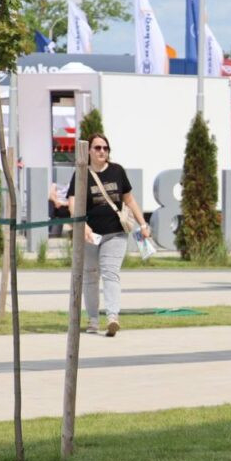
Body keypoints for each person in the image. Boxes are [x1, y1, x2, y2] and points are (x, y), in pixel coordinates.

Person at [66, 133, 151, 337]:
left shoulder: (117, 171)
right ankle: (93, 320)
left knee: (110, 273)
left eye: (105, 148)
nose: (102, 151)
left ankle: (113, 317)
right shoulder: (81, 173)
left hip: (115, 233)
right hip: (90, 235)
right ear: (89, 151)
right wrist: (82, 225)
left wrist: (143, 224)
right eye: (97, 148)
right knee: (90, 276)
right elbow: (72, 202)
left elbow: (129, 200)